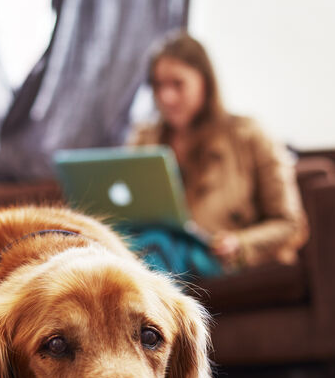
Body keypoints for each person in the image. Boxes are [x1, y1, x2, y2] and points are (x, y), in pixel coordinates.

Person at [127, 32, 308, 277]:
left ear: (205, 82)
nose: (166, 97)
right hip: (148, 245)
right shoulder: (143, 140)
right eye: (158, 86)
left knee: (155, 247)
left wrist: (240, 243)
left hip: (213, 256)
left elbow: (291, 225)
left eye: (177, 84)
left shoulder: (248, 135)